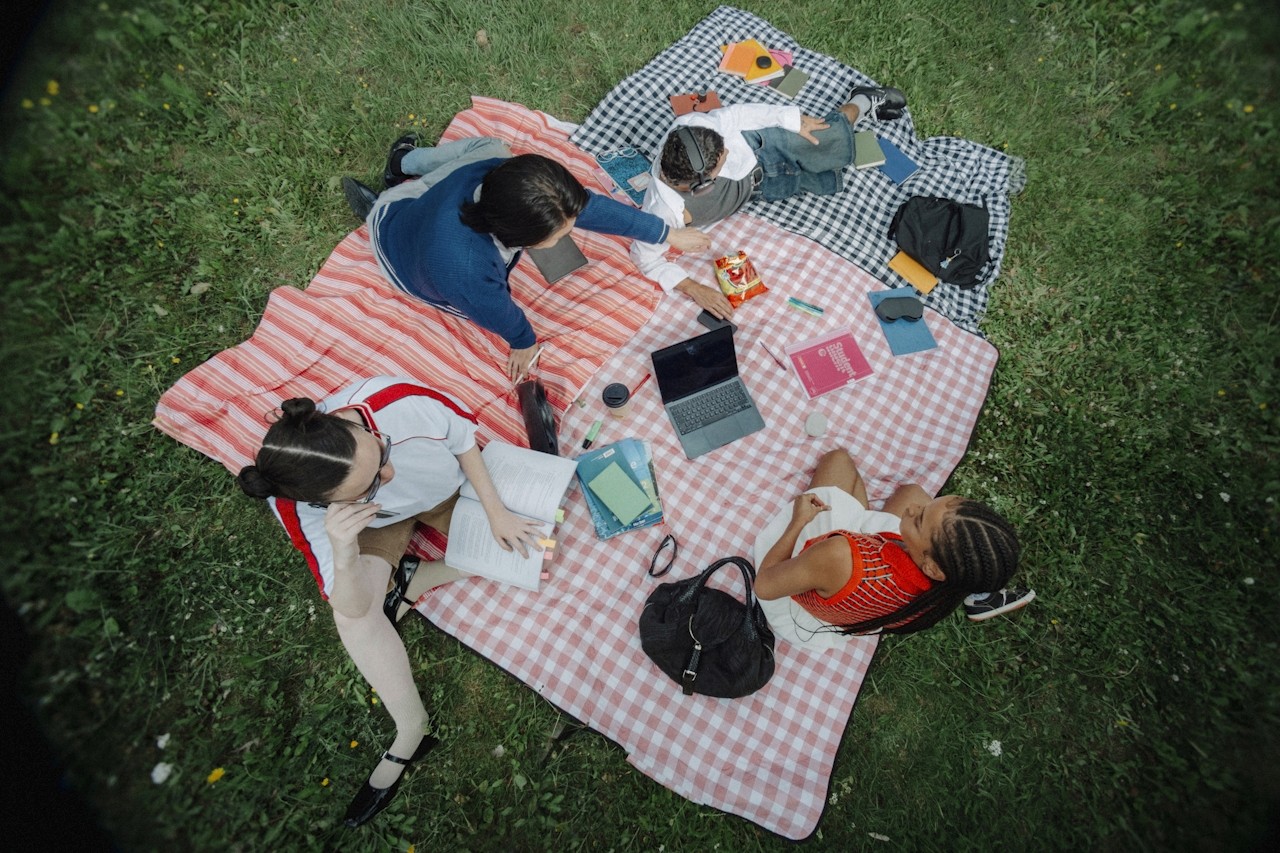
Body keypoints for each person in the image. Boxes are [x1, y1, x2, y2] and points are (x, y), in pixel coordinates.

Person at [236, 376, 543, 828]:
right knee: (352, 614)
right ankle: (411, 727)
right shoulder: (299, 510)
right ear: (323, 505)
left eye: (381, 453)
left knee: (533, 539)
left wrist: (496, 511)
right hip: (376, 525)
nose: (389, 474)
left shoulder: (397, 403)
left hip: (446, 491)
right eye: (371, 484)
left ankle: (419, 578)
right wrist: (343, 550)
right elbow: (354, 605)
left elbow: (462, 440)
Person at [342, 137, 711, 381]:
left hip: (423, 201)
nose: (570, 233)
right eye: (560, 234)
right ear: (515, 236)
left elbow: (587, 206)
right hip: (397, 243)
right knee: (474, 284)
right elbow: (494, 310)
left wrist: (666, 233)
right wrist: (523, 341)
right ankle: (378, 198)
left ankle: (404, 161)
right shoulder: (467, 270)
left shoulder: (504, 174)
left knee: (493, 146)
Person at [630, 86, 910, 320]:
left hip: (761, 148)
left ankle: (862, 100)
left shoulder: (690, 128)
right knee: (825, 179)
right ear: (701, 185)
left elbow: (736, 114)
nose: (726, 150)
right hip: (762, 186)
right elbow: (645, 257)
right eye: (721, 160)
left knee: (828, 140)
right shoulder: (662, 211)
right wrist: (692, 287)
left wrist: (790, 120)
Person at [753, 449, 1033, 645]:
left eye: (920, 519)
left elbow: (764, 585)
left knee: (838, 460)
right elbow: (913, 502)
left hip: (798, 603)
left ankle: (849, 512)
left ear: (932, 567)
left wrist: (798, 522)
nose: (912, 509)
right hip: (862, 592)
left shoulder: (838, 555)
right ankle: (980, 595)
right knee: (911, 491)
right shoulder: (944, 589)